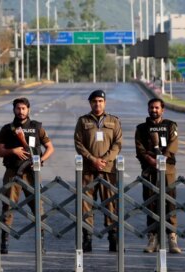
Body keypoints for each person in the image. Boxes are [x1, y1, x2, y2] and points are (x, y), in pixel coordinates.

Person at [0, 97, 54, 254]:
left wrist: (41, 159)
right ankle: (4, 242)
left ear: (28, 110)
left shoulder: (37, 127)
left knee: (38, 207)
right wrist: (12, 151)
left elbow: (49, 147)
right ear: (14, 110)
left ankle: (41, 243)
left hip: (32, 173)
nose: (21, 111)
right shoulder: (7, 129)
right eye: (18, 108)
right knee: (8, 206)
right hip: (13, 172)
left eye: (23, 108)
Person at [74, 90, 122, 252]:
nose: (97, 104)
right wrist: (93, 159)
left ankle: (113, 238)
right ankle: (87, 238)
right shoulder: (83, 121)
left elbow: (118, 144)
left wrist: (105, 160)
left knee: (110, 203)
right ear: (90, 103)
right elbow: (78, 143)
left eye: (100, 101)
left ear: (105, 102)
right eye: (94, 101)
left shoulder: (114, 121)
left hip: (108, 169)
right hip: (88, 169)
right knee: (86, 204)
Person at [135, 98, 181, 254]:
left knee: (170, 203)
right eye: (151, 108)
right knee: (150, 203)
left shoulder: (170, 125)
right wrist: (150, 159)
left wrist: (163, 158)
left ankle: (172, 237)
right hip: (149, 170)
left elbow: (173, 144)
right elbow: (139, 148)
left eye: (156, 108)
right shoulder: (141, 128)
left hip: (167, 170)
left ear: (163, 110)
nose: (154, 110)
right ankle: (152, 237)